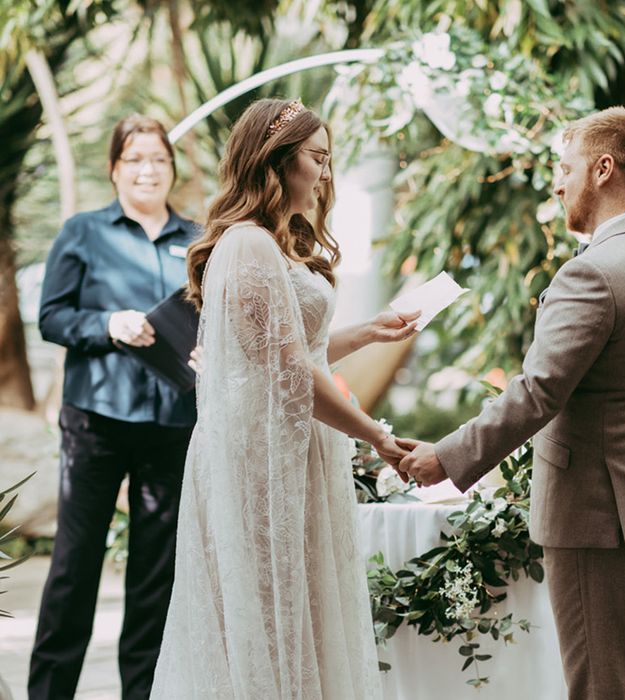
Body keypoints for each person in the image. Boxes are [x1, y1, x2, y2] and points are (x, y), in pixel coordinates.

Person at [398, 106, 625, 699]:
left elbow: (539, 389)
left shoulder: (592, 272)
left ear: (603, 168)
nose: (557, 184)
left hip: (601, 514)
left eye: (564, 169)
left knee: (603, 689)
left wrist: (447, 457)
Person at [149, 98, 417, 699]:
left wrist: (368, 331)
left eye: (328, 160)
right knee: (268, 613)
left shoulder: (274, 243)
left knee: (303, 608)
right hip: (261, 459)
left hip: (293, 447)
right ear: (274, 161)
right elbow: (288, 374)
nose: (326, 174)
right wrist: (374, 433)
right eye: (316, 159)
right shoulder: (247, 247)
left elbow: (296, 351)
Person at [29, 115, 199, 700]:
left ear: (172, 167)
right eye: (135, 159)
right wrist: (109, 324)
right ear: (114, 169)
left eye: (158, 158)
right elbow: (52, 317)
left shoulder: (199, 240)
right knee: (74, 568)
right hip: (95, 423)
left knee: (157, 578)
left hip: (173, 425)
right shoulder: (83, 232)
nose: (148, 170)